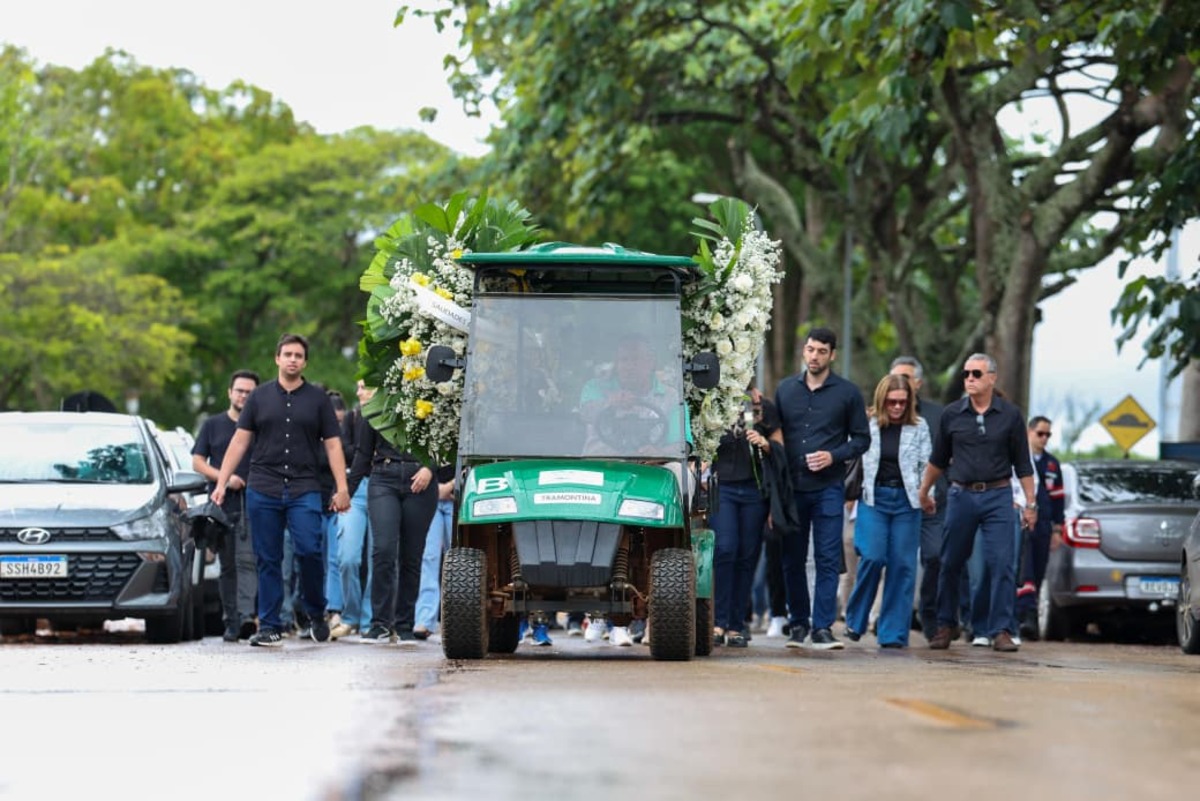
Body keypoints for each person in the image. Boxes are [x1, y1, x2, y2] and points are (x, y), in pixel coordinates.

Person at [212, 333, 351, 648]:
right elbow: (239, 441)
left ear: (304, 362)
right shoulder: (259, 398)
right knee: (268, 558)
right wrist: (221, 482)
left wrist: (342, 488)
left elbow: (333, 445)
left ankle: (315, 612)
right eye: (287, 354)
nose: (292, 359)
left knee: (309, 551)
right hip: (263, 487)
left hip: (304, 488)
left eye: (298, 355)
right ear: (277, 358)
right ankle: (271, 625)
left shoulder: (317, 399)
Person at [918, 353, 1036, 652]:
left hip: (998, 496)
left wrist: (1031, 503)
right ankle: (946, 625)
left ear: (992, 378)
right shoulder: (952, 414)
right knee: (950, 561)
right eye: (966, 374)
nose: (969, 378)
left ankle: (1000, 629)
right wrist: (924, 491)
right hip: (961, 495)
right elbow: (938, 460)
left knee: (1002, 564)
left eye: (976, 374)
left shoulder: (1010, 415)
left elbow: (1023, 464)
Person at [770, 327, 870, 650]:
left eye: (821, 351)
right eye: (810, 350)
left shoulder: (848, 393)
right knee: (792, 558)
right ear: (804, 350)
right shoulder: (785, 390)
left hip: (829, 487)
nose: (814, 356)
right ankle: (798, 624)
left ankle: (822, 627)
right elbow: (775, 434)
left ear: (832, 355)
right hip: (792, 488)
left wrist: (833, 455)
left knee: (828, 557)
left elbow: (862, 439)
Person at [844, 374, 931, 648]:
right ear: (882, 401)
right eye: (892, 402)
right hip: (874, 498)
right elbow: (851, 454)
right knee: (872, 556)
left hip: (908, 501)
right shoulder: (868, 424)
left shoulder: (919, 426)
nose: (896, 407)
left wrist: (927, 493)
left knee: (902, 565)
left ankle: (892, 633)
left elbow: (926, 464)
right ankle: (855, 619)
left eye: (902, 403)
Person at [347, 400, 438, 646]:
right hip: (383, 478)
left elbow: (446, 441)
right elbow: (363, 453)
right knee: (383, 549)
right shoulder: (376, 406)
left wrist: (430, 468)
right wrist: (346, 491)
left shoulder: (431, 400)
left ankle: (405, 624)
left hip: (420, 480)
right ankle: (379, 624)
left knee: (411, 555)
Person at [192, 369, 261, 642]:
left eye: (249, 392)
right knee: (228, 565)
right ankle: (231, 621)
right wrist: (225, 478)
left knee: (250, 561)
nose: (244, 395)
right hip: (222, 504)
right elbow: (197, 462)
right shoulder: (212, 424)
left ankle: (247, 617)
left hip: (254, 503)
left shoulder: (261, 425)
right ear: (230, 393)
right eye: (240, 390)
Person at [710, 384, 780, 648]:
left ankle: (737, 624)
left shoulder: (764, 406)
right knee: (725, 549)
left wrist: (765, 443)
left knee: (747, 555)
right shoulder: (713, 403)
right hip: (724, 486)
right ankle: (718, 620)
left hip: (755, 489)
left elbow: (780, 446)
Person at [888, 356, 946, 642]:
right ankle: (895, 621)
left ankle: (929, 614)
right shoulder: (882, 415)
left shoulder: (938, 415)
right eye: (896, 377)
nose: (901, 383)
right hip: (897, 501)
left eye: (907, 378)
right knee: (899, 561)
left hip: (933, 502)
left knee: (934, 556)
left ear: (918, 383)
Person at [328, 381, 375, 640]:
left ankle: (370, 619)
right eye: (356, 387)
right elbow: (342, 449)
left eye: (364, 387)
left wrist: (360, 452)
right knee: (347, 557)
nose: (357, 393)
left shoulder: (389, 416)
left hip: (382, 485)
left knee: (378, 557)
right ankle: (351, 615)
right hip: (354, 487)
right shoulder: (353, 417)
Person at [1016, 415, 1065, 638]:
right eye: (1040, 433)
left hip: (1044, 525)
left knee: (1037, 571)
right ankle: (1024, 617)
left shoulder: (1052, 463)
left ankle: (1029, 615)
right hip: (1021, 521)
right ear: (1029, 432)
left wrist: (1057, 529)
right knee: (1022, 570)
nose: (1044, 438)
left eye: (1048, 435)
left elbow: (1058, 499)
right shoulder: (1018, 458)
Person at [413, 461, 455, 639]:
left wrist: (451, 485)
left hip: (458, 494)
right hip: (429, 494)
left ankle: (458, 619)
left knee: (459, 560)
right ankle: (425, 618)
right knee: (429, 557)